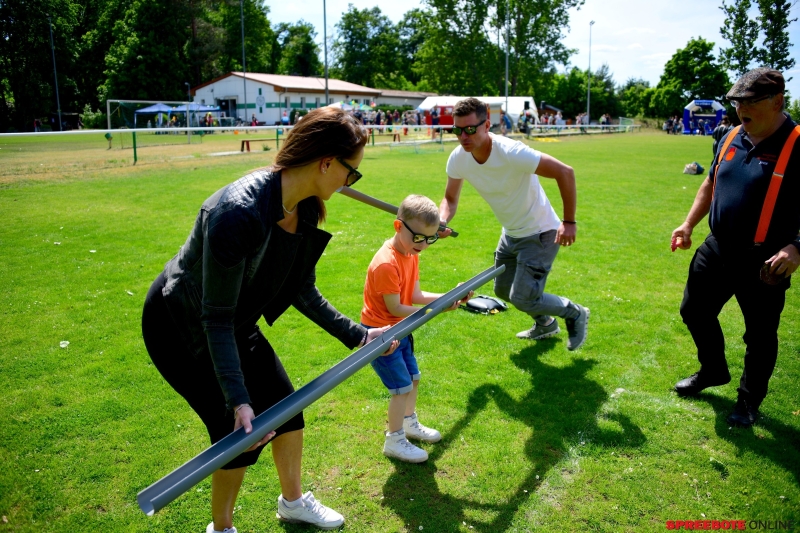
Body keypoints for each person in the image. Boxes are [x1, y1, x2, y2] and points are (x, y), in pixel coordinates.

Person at [141, 107, 398, 532]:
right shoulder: (237, 213)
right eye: (351, 172)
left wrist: (359, 335)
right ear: (326, 162)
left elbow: (300, 289)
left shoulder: (306, 208)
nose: (350, 182)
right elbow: (214, 318)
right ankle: (221, 528)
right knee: (237, 434)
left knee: (285, 408)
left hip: (232, 320)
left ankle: (293, 503)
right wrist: (238, 399)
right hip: (181, 327)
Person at [671, 68, 800, 427]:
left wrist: (797, 247)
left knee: (759, 335)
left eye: (750, 102)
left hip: (766, 258)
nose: (741, 109)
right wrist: (688, 224)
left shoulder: (797, 143)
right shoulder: (729, 135)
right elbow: (710, 182)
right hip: (718, 246)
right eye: (736, 102)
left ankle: (748, 400)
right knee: (694, 310)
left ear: (777, 101)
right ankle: (713, 370)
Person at [438, 97, 590, 350]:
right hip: (510, 234)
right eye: (457, 130)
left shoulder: (512, 152)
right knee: (503, 290)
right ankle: (545, 324)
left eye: (470, 129)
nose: (463, 136)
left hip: (541, 232)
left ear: (487, 125)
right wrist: (442, 219)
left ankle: (574, 312)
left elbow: (565, 172)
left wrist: (569, 222)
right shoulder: (458, 158)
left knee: (522, 297)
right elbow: (450, 199)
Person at [361, 195, 472, 463]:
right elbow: (396, 307)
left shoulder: (410, 253)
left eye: (430, 239)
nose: (423, 244)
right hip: (381, 334)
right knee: (400, 387)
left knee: (413, 378)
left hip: (401, 328)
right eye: (419, 237)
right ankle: (394, 440)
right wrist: (438, 310)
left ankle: (409, 423)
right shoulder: (387, 263)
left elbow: (416, 295)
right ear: (398, 226)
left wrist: (449, 297)